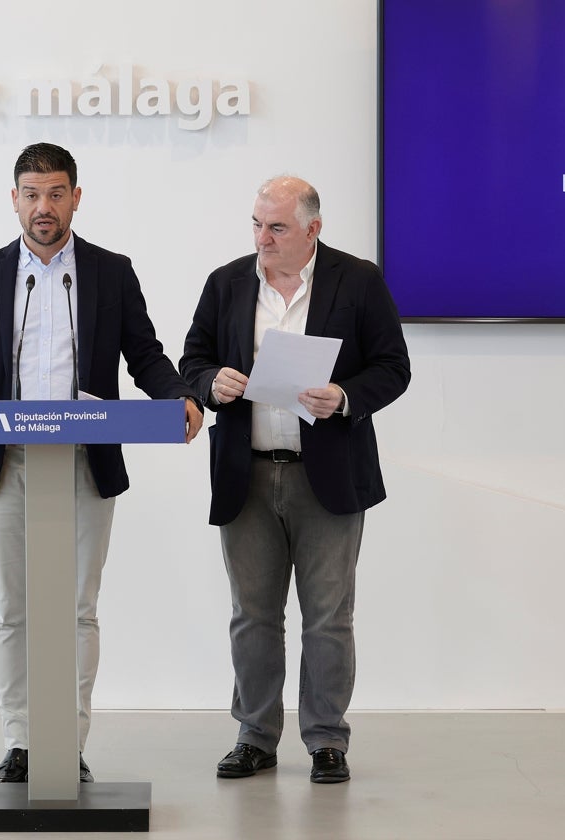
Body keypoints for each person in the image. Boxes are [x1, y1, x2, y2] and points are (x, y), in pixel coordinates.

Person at [0, 142, 203, 784]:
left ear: (76, 197)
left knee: (77, 608)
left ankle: (66, 742)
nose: (42, 207)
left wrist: (179, 394)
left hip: (84, 461)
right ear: (13, 198)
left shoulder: (108, 271)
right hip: (6, 462)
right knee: (8, 608)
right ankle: (22, 740)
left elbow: (146, 354)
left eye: (54, 193)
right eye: (30, 193)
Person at [179, 176, 410, 784]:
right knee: (252, 615)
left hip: (327, 479)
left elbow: (394, 368)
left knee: (328, 617)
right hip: (246, 476)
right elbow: (192, 360)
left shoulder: (356, 281)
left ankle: (327, 740)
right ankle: (255, 737)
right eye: (256, 224)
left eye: (277, 227)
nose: (263, 238)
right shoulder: (227, 282)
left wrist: (344, 396)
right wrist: (211, 385)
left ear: (313, 228)